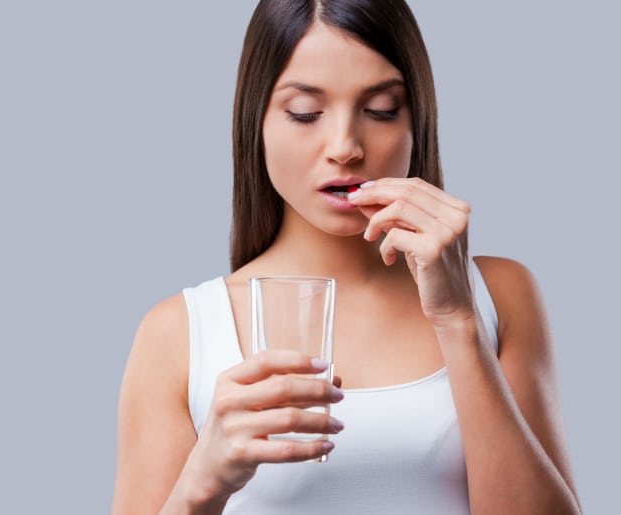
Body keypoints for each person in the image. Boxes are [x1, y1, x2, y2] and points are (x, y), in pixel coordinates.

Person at [112, 0, 581, 513]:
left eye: (380, 109)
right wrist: (201, 485)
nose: (345, 147)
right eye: (305, 113)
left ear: (417, 121)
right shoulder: (180, 333)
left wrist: (456, 319)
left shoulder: (499, 294)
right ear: (257, 121)